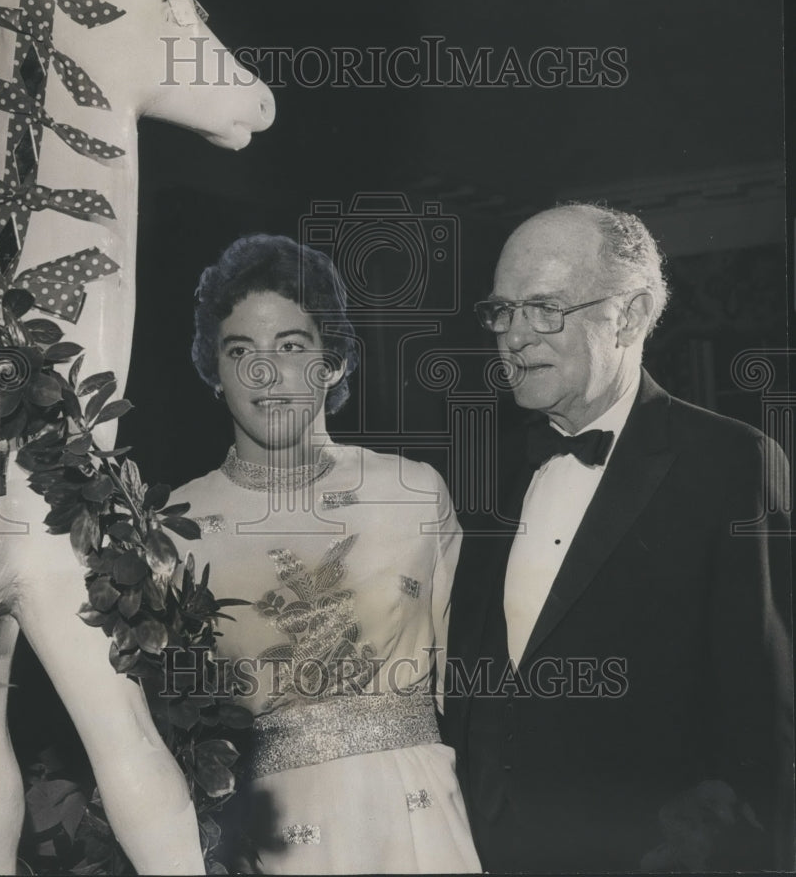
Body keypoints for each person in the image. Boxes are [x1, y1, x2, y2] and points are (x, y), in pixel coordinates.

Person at [443, 202, 794, 872]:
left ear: (630, 316)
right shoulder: (487, 469)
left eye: (545, 308)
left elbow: (764, 717)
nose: (514, 336)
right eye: (503, 311)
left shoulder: (732, 462)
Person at [167, 234, 481, 874]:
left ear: (332, 362)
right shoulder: (176, 524)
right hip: (270, 837)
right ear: (213, 370)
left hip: (420, 820)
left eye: (291, 346)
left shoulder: (412, 491)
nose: (264, 373)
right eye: (239, 351)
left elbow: (467, 686)